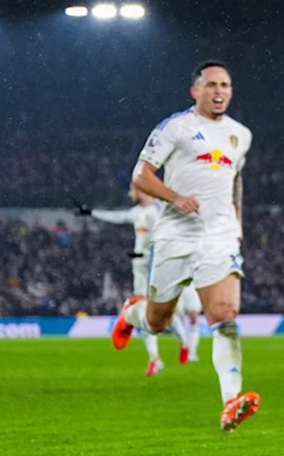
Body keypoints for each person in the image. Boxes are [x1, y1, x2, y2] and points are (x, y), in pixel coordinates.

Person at [110, 60, 260, 431]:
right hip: (176, 236)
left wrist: (237, 221)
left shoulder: (241, 134)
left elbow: (235, 180)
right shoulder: (175, 127)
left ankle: (231, 402)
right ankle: (132, 312)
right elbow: (141, 176)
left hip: (218, 236)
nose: (219, 91)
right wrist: (175, 197)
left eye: (225, 84)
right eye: (211, 85)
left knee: (224, 314)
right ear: (196, 91)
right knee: (158, 322)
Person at [75, 186, 186, 376]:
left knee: (158, 312)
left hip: (155, 265)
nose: (129, 193)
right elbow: (117, 217)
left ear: (142, 190)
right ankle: (156, 358)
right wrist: (92, 213)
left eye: (132, 190)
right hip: (140, 267)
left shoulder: (159, 210)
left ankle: (182, 342)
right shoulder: (138, 212)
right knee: (146, 309)